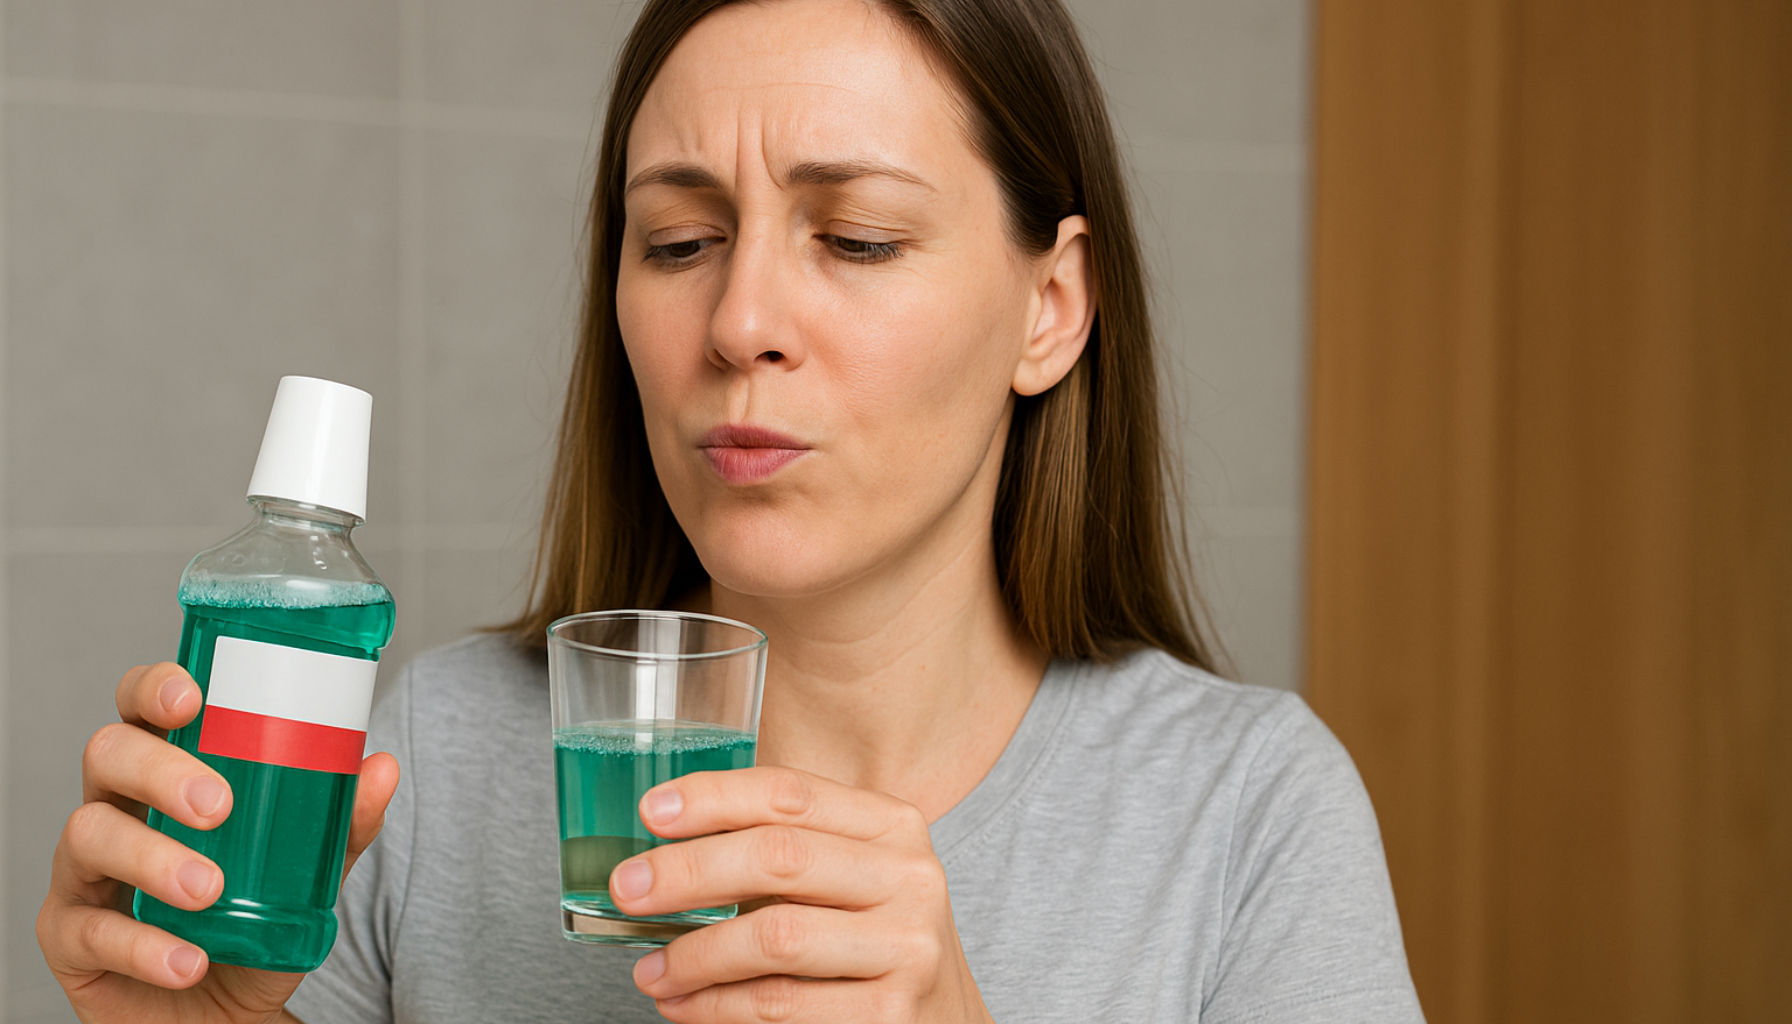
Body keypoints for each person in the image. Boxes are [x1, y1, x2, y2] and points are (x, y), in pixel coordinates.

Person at [37, 0, 1425, 1020]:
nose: (741, 320)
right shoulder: (425, 769)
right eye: (679, 244)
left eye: (859, 238)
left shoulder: (1250, 815)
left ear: (1049, 310)